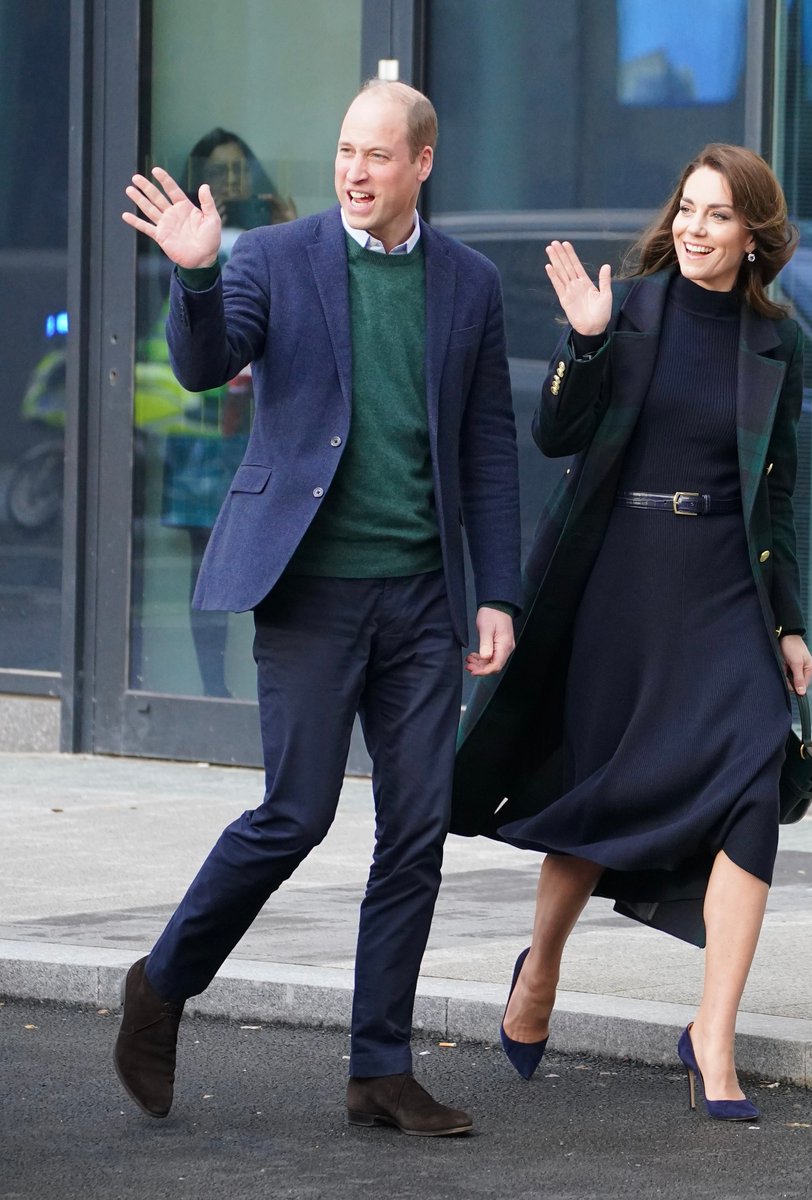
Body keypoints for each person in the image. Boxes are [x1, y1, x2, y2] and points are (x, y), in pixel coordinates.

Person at [115, 80, 521, 1137]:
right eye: (346, 149)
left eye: (379, 154)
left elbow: (485, 449)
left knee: (417, 829)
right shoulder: (273, 258)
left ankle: (379, 1065)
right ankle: (160, 986)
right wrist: (196, 275)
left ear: (422, 164)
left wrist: (499, 595)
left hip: (425, 597)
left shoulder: (469, 284)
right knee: (295, 814)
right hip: (310, 588)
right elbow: (204, 369)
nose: (355, 170)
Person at [452, 144, 812, 1120]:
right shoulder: (633, 311)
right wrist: (585, 343)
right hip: (623, 584)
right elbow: (557, 438)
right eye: (688, 210)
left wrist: (788, 626)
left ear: (753, 236)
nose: (697, 228)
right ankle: (540, 974)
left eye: (719, 215)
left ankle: (713, 1035)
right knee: (603, 791)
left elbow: (777, 496)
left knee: (750, 782)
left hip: (726, 592)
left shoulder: (776, 341)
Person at [154, 128, 297, 697]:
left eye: (241, 168)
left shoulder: (275, 235)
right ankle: (212, 691)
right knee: (205, 569)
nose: (232, 180)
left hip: (263, 425)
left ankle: (278, 694)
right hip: (201, 424)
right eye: (220, 169)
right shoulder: (183, 236)